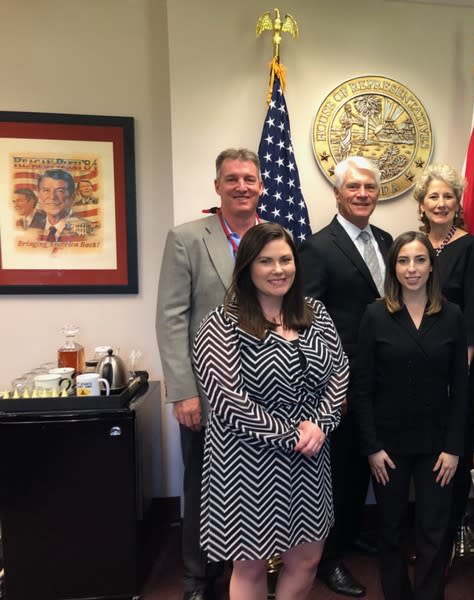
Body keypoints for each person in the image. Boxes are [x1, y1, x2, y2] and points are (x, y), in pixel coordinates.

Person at [192, 223, 349, 600]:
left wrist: (321, 424)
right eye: (266, 261)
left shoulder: (315, 313)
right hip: (247, 462)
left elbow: (340, 371)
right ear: (246, 267)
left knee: (308, 559)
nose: (278, 269)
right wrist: (293, 434)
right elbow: (229, 401)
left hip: (309, 457)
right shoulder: (220, 324)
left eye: (285, 259)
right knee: (250, 565)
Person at [156, 148, 263, 600]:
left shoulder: (278, 238)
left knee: (260, 483)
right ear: (217, 186)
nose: (241, 186)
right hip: (209, 393)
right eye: (232, 178)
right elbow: (171, 318)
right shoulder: (187, 238)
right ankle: (198, 577)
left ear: (261, 186)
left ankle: (257, 567)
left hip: (267, 394)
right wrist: (183, 392)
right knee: (203, 482)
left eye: (249, 178)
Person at [353, 231, 467, 600]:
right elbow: (362, 389)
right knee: (391, 529)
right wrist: (371, 447)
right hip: (388, 446)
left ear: (432, 266)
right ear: (393, 267)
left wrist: (453, 448)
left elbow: (461, 391)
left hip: (438, 446)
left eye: (419, 260)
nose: (412, 268)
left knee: (434, 531)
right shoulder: (375, 314)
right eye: (403, 261)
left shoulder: (451, 315)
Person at [300, 156, 393, 598]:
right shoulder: (318, 247)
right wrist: (330, 382)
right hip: (338, 383)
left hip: (380, 377)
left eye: (369, 188)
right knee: (336, 471)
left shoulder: (389, 240)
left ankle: (353, 532)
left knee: (361, 464)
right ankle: (329, 559)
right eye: (353, 188)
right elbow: (308, 319)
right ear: (337, 194)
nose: (362, 194)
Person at [412, 164, 474, 557]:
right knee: (421, 441)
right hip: (415, 363)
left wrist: (462, 372)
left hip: (459, 363)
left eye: (448, 196)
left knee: (453, 440)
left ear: (457, 203)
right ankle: (425, 529)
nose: (441, 203)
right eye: (433, 197)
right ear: (421, 204)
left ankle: (452, 529)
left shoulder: (471, 248)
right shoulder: (412, 245)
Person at [36, 169, 92, 241]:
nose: (52, 197)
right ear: (38, 195)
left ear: (73, 197)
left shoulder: (87, 230)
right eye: (46, 190)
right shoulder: (32, 228)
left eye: (60, 191)